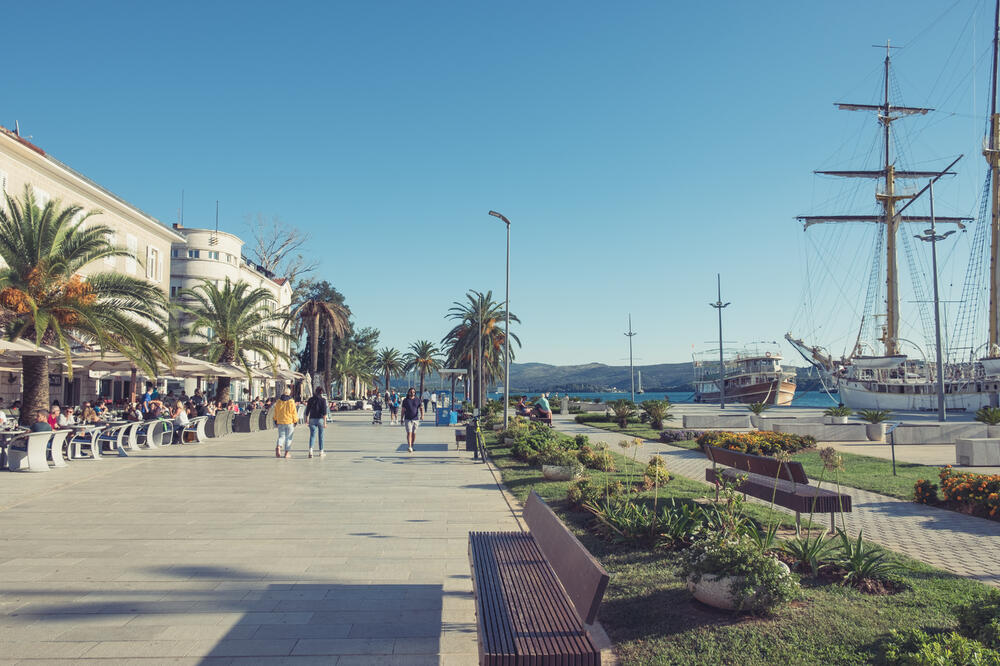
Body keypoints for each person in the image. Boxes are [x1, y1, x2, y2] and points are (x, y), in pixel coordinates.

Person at [273, 387, 297, 459]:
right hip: (289, 421)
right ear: (289, 393)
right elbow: (294, 412)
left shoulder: (278, 401)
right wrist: (295, 420)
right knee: (289, 438)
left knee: (281, 436)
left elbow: (276, 412)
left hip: (280, 421)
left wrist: (275, 419)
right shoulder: (291, 401)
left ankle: (278, 446)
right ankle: (287, 453)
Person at [305, 387, 328, 458]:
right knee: (321, 436)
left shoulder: (310, 399)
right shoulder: (323, 400)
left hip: (312, 419)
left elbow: (307, 410)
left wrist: (307, 419)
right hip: (320, 419)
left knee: (312, 435)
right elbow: (324, 412)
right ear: (322, 392)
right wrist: (325, 422)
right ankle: (321, 451)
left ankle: (310, 450)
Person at [402, 387, 423, 453]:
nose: (412, 393)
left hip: (416, 419)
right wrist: (401, 418)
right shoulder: (405, 400)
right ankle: (410, 446)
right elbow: (403, 410)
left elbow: (421, 408)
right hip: (407, 419)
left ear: (415, 393)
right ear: (408, 392)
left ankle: (412, 445)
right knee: (409, 432)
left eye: (413, 392)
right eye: (411, 392)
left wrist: (422, 415)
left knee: (414, 433)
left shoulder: (417, 400)